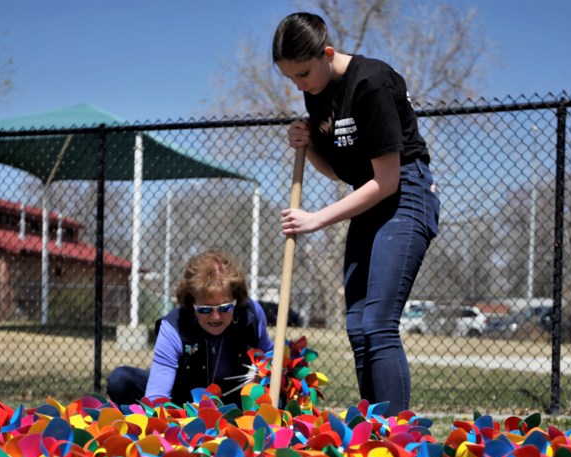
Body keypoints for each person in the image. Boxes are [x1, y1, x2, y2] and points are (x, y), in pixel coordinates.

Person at [272, 12, 440, 415]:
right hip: (367, 198)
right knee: (357, 324)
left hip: (405, 196)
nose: (299, 85)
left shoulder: (372, 83)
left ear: (327, 53)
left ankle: (397, 435)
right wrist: (309, 145)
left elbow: (387, 181)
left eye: (303, 73)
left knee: (379, 322)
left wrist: (316, 219)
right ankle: (372, 430)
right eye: (291, 78)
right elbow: (342, 172)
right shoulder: (319, 90)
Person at [106, 249, 275, 407]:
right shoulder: (174, 327)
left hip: (236, 401)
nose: (216, 317)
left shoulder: (251, 315)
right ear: (191, 301)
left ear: (236, 299)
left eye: (225, 308)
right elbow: (157, 395)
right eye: (205, 309)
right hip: (184, 402)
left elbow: (269, 358)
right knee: (121, 380)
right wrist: (161, 425)